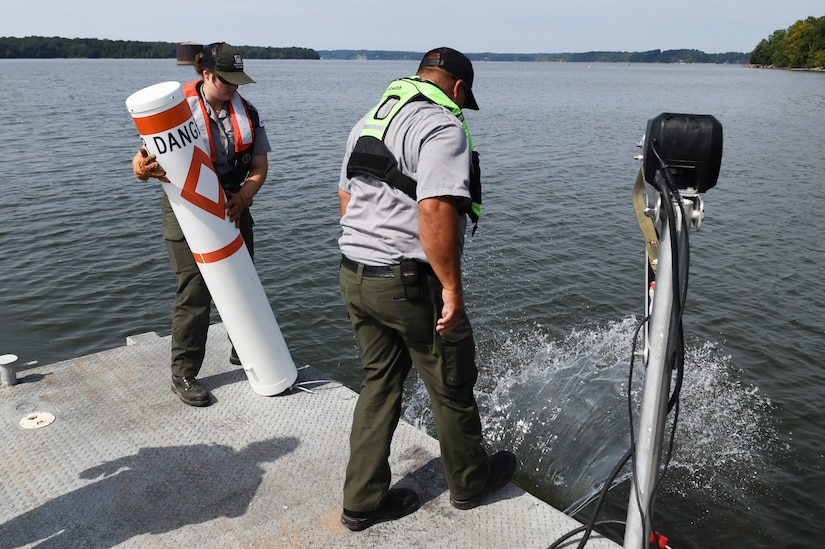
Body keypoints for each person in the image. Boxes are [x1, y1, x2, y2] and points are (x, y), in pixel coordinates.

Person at [336, 46, 516, 531]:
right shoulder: (441, 125)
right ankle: (470, 483)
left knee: (379, 382)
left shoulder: (369, 119)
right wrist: (452, 290)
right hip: (410, 282)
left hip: (355, 272)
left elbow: (346, 197)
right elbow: (436, 209)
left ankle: (361, 502)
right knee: (451, 384)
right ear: (457, 88)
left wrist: (373, 249)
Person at [132, 42, 271, 407]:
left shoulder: (249, 114)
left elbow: (259, 168)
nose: (234, 88)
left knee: (244, 279)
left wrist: (244, 197)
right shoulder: (177, 113)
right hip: (187, 208)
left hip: (232, 203)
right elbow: (144, 157)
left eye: (238, 82)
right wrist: (140, 168)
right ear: (206, 74)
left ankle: (246, 347)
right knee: (194, 290)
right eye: (227, 80)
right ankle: (184, 372)